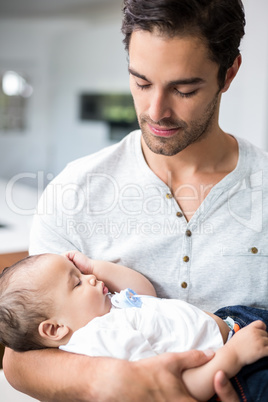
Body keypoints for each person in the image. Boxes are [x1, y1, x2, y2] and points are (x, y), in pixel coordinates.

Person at [4, 0, 268, 401]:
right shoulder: (73, 190)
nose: (154, 111)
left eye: (184, 89)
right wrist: (106, 381)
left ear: (228, 72)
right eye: (141, 82)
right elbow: (20, 361)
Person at [1, 250, 268, 402]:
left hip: (236, 322)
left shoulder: (106, 306)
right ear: (54, 329)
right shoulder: (102, 339)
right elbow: (168, 387)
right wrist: (232, 357)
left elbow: (144, 292)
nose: (91, 277)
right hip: (232, 373)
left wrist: (95, 266)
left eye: (81, 272)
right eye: (77, 282)